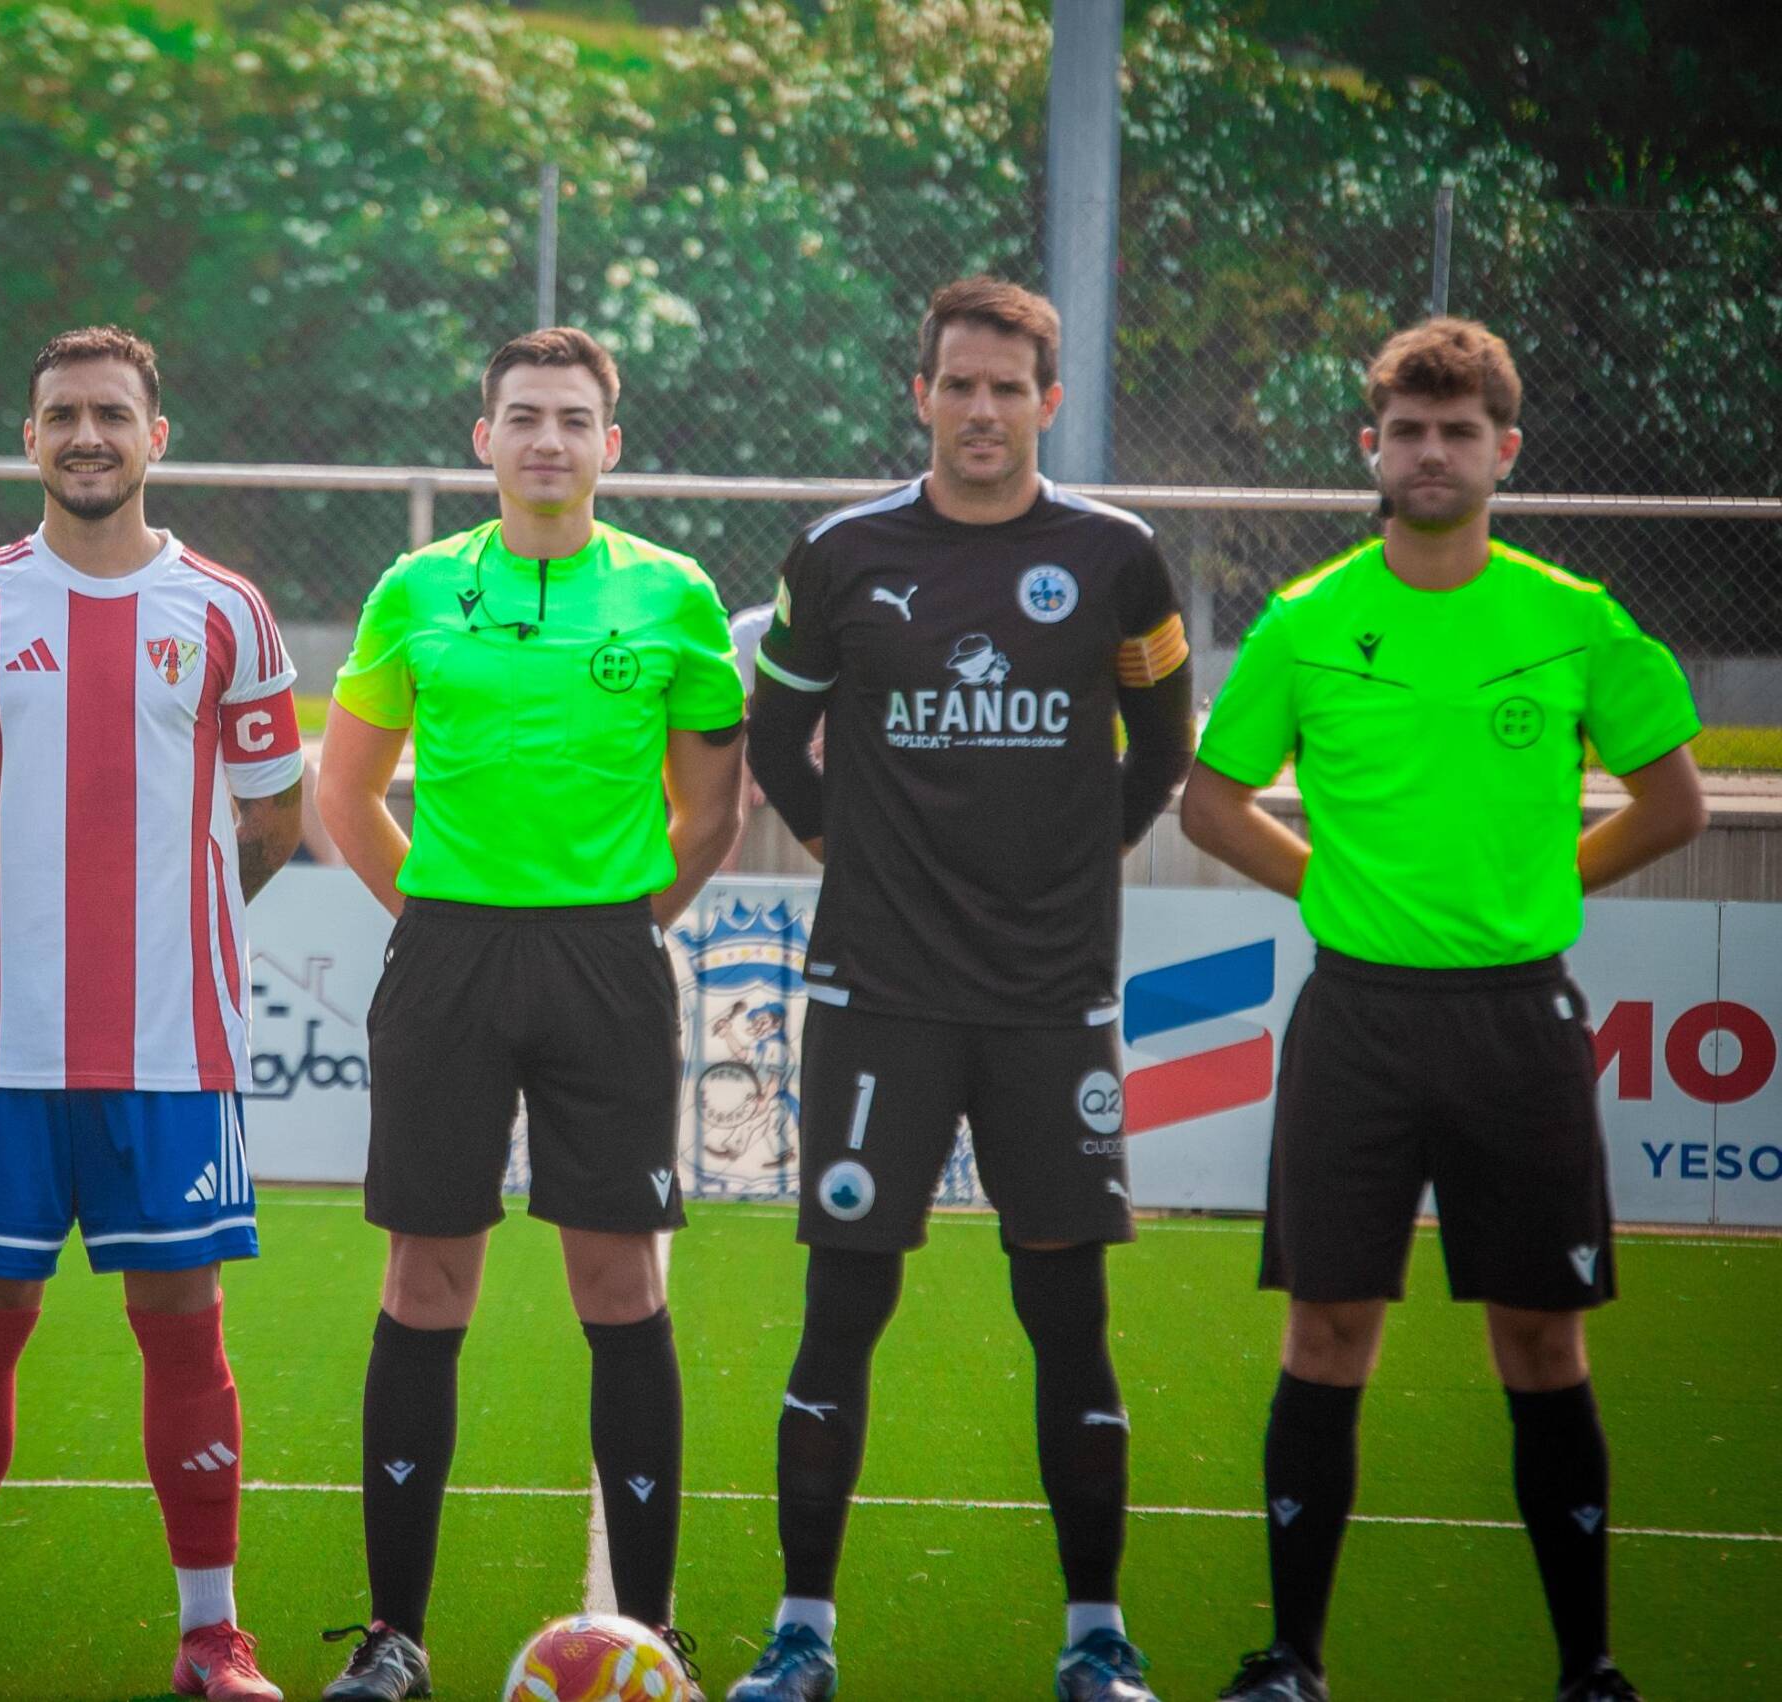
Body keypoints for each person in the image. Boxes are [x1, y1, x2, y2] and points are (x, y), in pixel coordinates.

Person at [1183, 318, 1706, 1702]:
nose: (1431, 452)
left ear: (1504, 450)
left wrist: (1544, 884)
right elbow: (1210, 803)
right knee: (1326, 1333)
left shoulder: (1574, 618)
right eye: (1407, 431)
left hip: (1518, 1023)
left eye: (1457, 431)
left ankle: (1589, 1669)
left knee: (1542, 1340)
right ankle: (1292, 1660)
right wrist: (1329, 887)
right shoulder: (1306, 621)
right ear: (1371, 447)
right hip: (1356, 1021)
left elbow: (1674, 803)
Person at [732, 277, 1196, 1702]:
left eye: (1008, 387)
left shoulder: (1117, 557)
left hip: (1054, 1004)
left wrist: (1073, 864)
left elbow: (1162, 750)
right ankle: (802, 1634)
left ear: (1048, 401)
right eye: (959, 385)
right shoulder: (842, 554)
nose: (981, 409)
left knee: (1068, 1320)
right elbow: (777, 739)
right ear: (920, 395)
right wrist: (854, 852)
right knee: (841, 1310)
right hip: (878, 997)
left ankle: (1095, 1638)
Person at [0, 327, 306, 1702]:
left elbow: (275, 814)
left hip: (175, 1050)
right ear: (30, 437)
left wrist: (180, 918)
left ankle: (211, 1633)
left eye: (112, 414)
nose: (88, 436)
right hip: (4, 1047)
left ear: (155, 435)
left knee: (185, 1322)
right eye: (62, 414)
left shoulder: (228, 611)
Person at [313, 327, 745, 1701]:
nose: (546, 440)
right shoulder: (415, 589)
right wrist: (439, 914)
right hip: (446, 958)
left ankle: (653, 1633)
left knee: (620, 1284)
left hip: (608, 960)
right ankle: (394, 1636)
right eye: (522, 417)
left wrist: (617, 927)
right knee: (424, 1281)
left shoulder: (674, 594)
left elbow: (713, 809)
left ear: (609, 444)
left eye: (571, 419)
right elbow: (344, 789)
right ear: (482, 439)